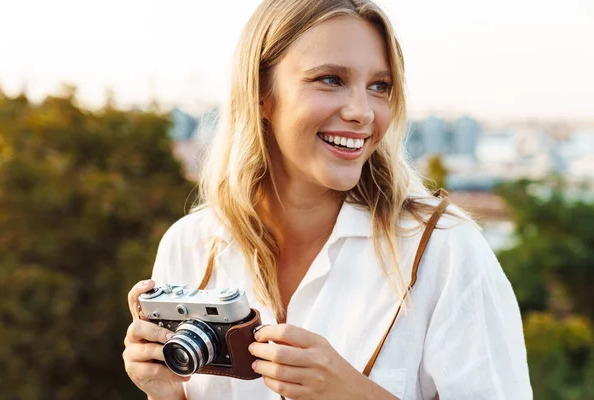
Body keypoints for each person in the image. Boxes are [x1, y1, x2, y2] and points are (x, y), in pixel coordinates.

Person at [123, 0, 533, 399]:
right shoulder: (189, 245)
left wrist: (354, 394)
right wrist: (165, 393)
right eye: (330, 79)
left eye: (379, 86)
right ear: (261, 93)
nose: (363, 112)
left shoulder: (445, 251)